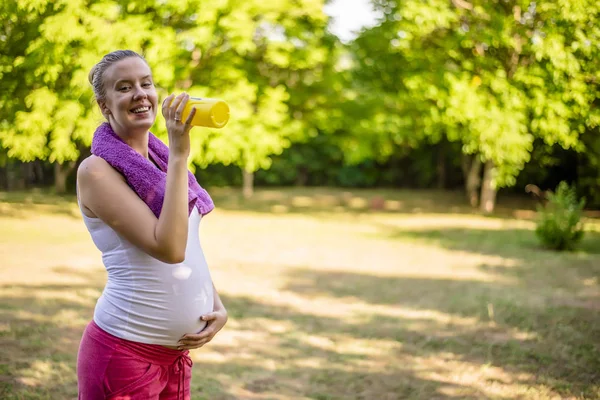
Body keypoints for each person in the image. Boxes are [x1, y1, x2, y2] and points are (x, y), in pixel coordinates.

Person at [76, 49, 228, 400]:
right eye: (124, 87)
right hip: (125, 356)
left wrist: (213, 302)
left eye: (146, 83)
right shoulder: (97, 171)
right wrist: (179, 154)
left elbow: (188, 247)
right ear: (104, 105)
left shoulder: (160, 167)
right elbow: (169, 248)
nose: (140, 93)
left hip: (173, 359)